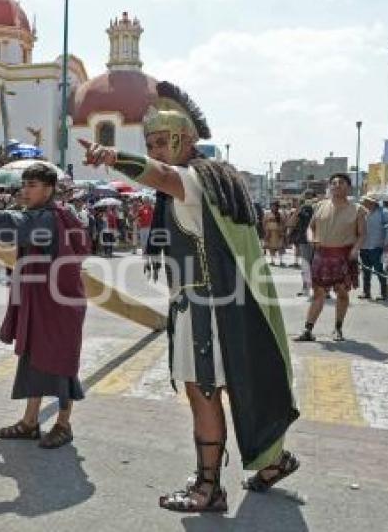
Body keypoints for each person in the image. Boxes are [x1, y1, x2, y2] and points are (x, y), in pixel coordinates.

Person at [82, 81, 299, 513]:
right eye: (150, 143)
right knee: (233, 386)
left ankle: (208, 487)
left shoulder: (193, 180)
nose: (157, 150)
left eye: (164, 141)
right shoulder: (214, 179)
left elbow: (162, 175)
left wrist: (116, 157)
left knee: (203, 392)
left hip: (203, 312)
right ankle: (275, 459)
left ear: (184, 140)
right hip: (216, 306)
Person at [0, 162, 91, 450]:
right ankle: (30, 422)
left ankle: (63, 424)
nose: (26, 190)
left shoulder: (47, 219)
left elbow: (11, 225)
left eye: (33, 185)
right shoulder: (41, 215)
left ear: (49, 189)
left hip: (60, 307)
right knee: (33, 359)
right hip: (44, 302)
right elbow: (14, 226)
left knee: (62, 366)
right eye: (25, 185)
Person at [294, 174, 365, 342]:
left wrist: (356, 249)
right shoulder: (319, 205)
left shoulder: (358, 209)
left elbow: (362, 234)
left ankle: (338, 329)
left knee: (342, 293)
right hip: (321, 254)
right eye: (333, 183)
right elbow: (310, 228)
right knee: (318, 293)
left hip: (343, 256)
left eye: (341, 183)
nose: (336, 185)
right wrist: (311, 238)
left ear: (348, 187)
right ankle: (308, 330)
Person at [358, 193, 388, 302]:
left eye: (365, 201)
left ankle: (384, 294)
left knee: (379, 271)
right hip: (364, 246)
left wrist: (386, 245)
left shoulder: (385, 213)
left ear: (372, 202)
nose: (363, 203)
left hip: (377, 247)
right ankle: (366, 292)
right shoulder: (363, 213)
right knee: (366, 271)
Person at [292, 190, 317, 297]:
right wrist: (299, 207)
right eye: (306, 197)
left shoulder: (319, 207)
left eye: (310, 196)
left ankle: (322, 290)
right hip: (304, 240)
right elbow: (291, 222)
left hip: (318, 240)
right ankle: (305, 288)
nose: (308, 199)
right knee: (306, 265)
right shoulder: (302, 209)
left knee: (319, 265)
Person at [264, 201, 285, 266]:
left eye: (274, 206)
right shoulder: (267, 214)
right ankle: (272, 261)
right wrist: (266, 231)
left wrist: (283, 232)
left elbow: (284, 223)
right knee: (271, 248)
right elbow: (264, 223)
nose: (273, 207)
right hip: (270, 233)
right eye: (272, 206)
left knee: (280, 247)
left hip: (279, 233)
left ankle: (281, 261)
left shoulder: (281, 214)